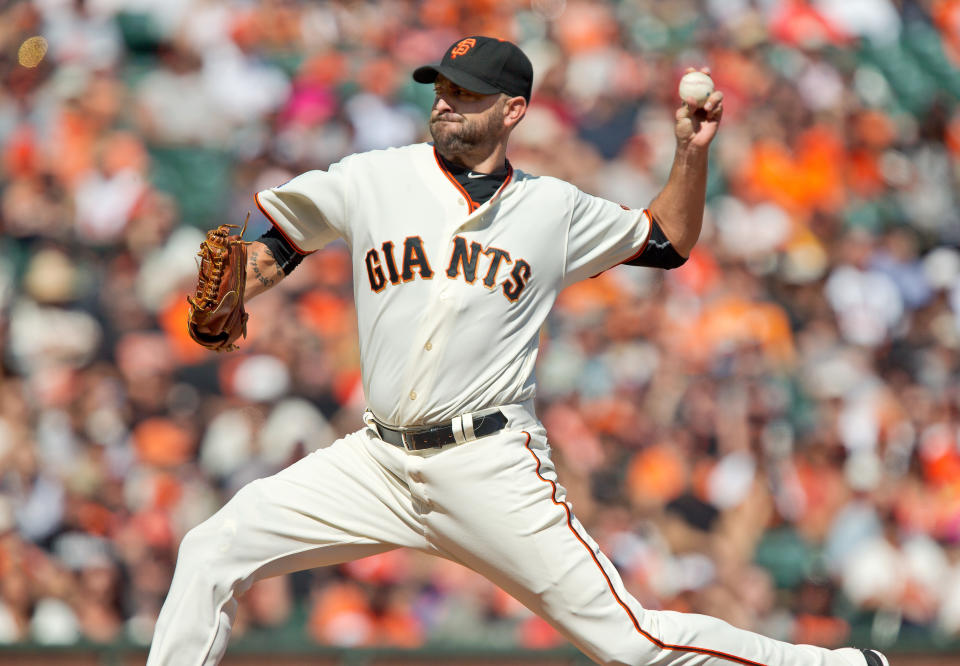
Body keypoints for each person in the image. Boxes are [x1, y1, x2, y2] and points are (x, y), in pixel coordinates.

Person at [147, 36, 889, 666]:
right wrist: (241, 284)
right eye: (440, 87)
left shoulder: (553, 208)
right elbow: (283, 241)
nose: (444, 101)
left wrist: (689, 155)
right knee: (212, 550)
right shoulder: (374, 176)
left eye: (465, 93)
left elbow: (667, 241)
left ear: (513, 111)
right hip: (374, 461)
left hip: (489, 463)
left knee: (630, 645)